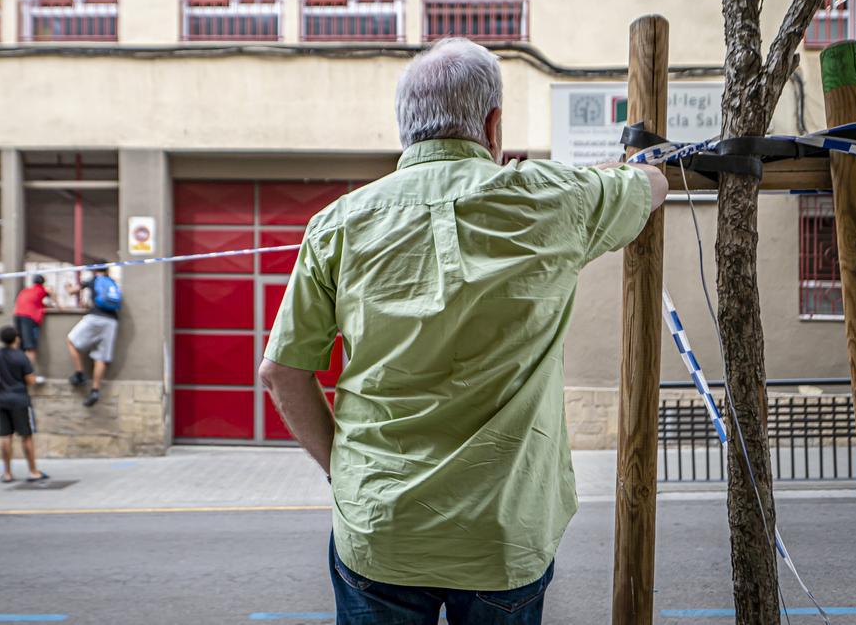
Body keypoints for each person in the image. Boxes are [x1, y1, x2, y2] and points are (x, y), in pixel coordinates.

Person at [259, 38, 668, 624]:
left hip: (380, 526)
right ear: (494, 124)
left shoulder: (339, 223)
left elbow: (282, 371)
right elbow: (651, 185)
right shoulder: (553, 199)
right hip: (502, 534)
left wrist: (342, 469)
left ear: (406, 128)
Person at [0, 325, 48, 483]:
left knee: (6, 436)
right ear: (16, 338)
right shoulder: (21, 357)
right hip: (20, 400)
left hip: (2, 399)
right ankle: (33, 471)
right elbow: (30, 380)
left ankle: (7, 473)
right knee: (26, 436)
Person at [65, 265, 121, 407]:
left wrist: (67, 287)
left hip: (95, 317)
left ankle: (79, 374)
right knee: (101, 357)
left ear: (96, 270)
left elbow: (73, 292)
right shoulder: (112, 282)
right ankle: (95, 390)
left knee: (71, 340)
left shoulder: (94, 279)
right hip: (112, 321)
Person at [13, 274, 53, 365]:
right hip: (29, 317)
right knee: (30, 347)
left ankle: (16, 373)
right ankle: (28, 375)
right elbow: (54, 298)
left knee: (19, 345)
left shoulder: (25, 290)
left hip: (17, 315)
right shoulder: (42, 289)